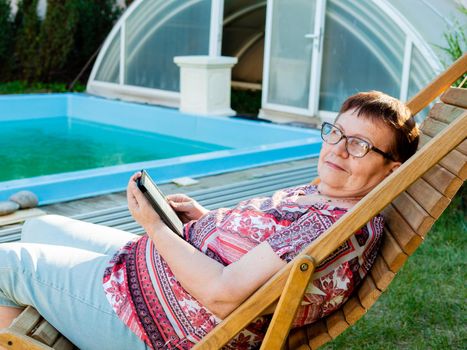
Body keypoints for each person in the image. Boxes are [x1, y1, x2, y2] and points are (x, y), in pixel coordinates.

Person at [0, 91, 419, 350]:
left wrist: (155, 226)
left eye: (360, 145)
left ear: (394, 170)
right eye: (336, 133)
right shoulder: (331, 198)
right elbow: (260, 252)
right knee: (40, 227)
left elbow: (222, 295)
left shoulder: (330, 230)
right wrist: (203, 220)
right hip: (154, 278)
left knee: (6, 265)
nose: (338, 151)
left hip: (161, 325)